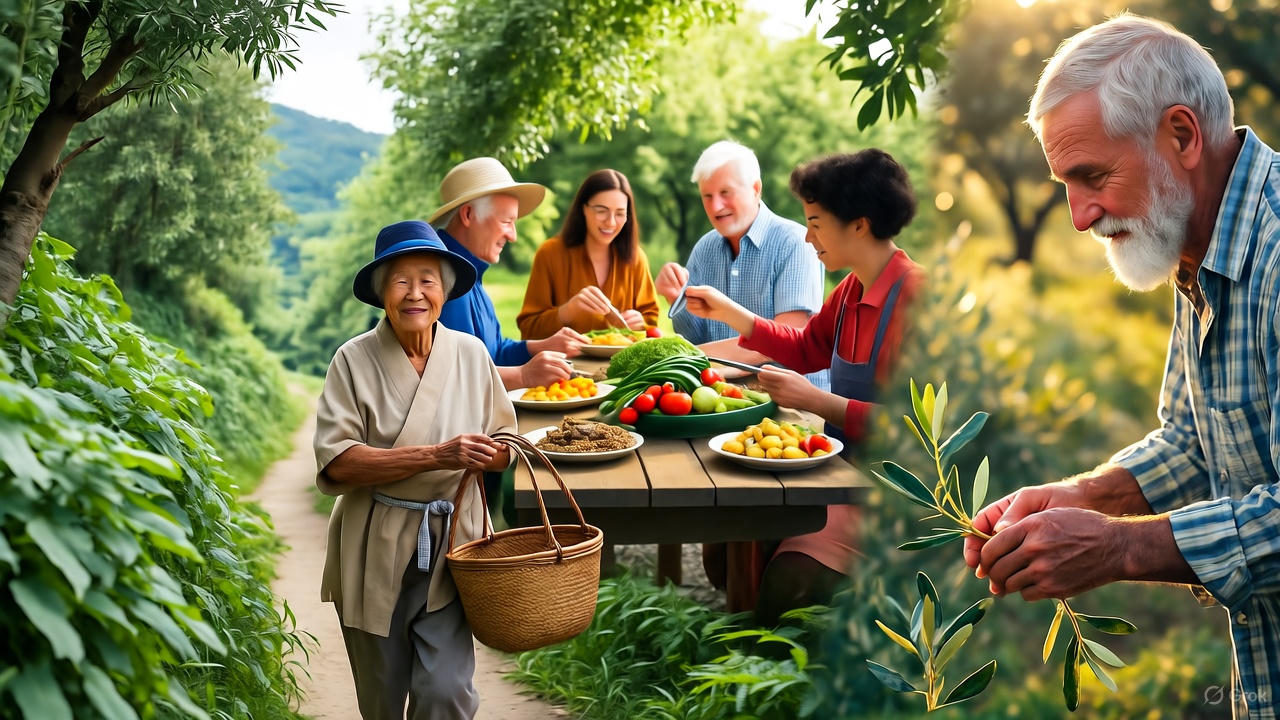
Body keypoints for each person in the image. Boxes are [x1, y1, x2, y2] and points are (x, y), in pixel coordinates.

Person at [960, 16, 1280, 718]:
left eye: (1092, 176)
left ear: (1182, 136)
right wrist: (1088, 494)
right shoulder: (1197, 237)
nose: (1078, 217)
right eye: (1064, 183)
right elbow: (1196, 438)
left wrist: (1120, 550)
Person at [685, 149, 923, 624]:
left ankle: (772, 667)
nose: (808, 237)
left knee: (787, 579)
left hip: (895, 490)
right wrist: (728, 311)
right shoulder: (850, 290)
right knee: (728, 549)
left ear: (858, 224)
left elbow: (915, 427)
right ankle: (750, 657)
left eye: (815, 223)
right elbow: (805, 347)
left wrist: (817, 401)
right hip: (842, 469)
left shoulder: (915, 296)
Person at [314, 220, 517, 719]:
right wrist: (436, 455)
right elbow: (337, 463)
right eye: (400, 281)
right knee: (381, 701)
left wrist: (488, 456)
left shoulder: (471, 355)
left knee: (446, 692)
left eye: (428, 279)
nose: (415, 293)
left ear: (445, 291)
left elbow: (505, 443)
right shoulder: (353, 360)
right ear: (382, 292)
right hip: (372, 549)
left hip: (452, 547)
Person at [655, 140, 828, 387]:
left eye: (726, 193)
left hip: (793, 406)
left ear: (755, 188)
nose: (716, 206)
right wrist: (676, 298)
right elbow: (694, 337)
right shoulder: (705, 248)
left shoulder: (795, 243)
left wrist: (683, 360)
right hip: (726, 396)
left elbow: (785, 341)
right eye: (707, 196)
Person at [428, 157, 588, 390]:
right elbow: (454, 375)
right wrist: (523, 376)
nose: (512, 236)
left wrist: (543, 345)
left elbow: (494, 352)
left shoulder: (471, 273)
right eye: (506, 221)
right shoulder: (442, 279)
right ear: (468, 215)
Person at [516, 169, 660, 338]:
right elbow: (529, 329)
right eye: (601, 210)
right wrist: (567, 312)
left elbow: (651, 324)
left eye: (620, 213)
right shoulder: (549, 254)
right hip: (564, 363)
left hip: (621, 363)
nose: (611, 222)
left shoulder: (636, 258)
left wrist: (640, 322)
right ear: (583, 209)